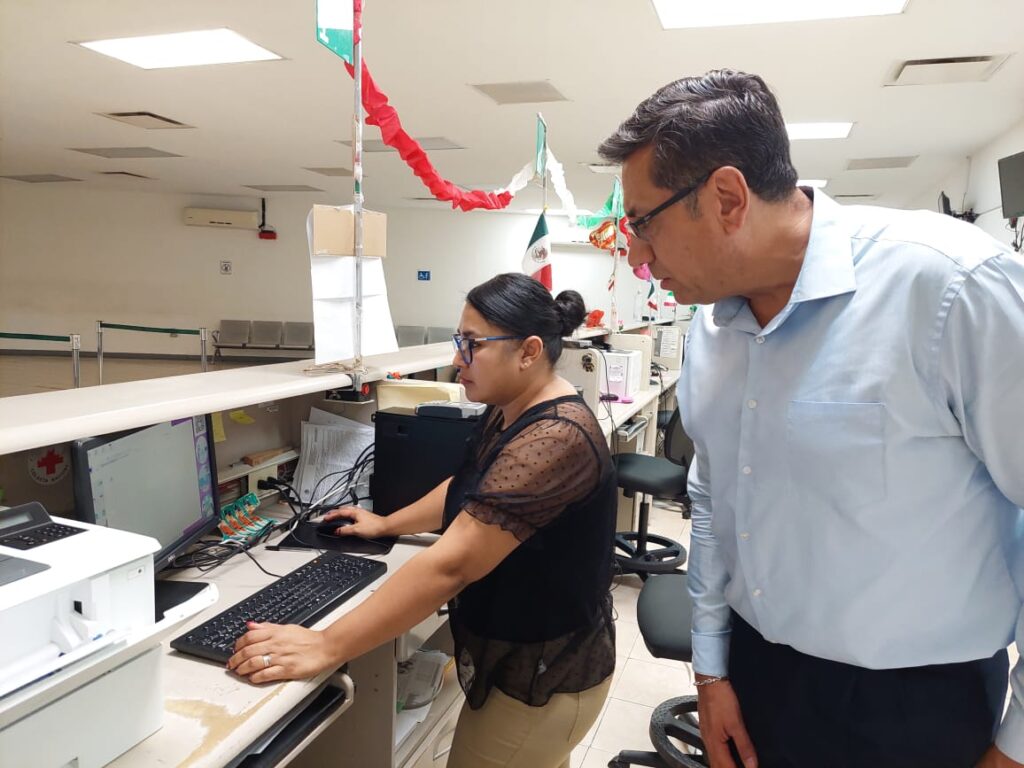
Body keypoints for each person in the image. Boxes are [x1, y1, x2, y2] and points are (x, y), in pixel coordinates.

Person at [598, 69, 1024, 768]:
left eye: (643, 223)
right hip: (758, 673)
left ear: (727, 198)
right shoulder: (713, 329)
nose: (636, 255)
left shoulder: (950, 288)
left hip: (912, 707)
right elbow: (713, 500)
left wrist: (1017, 745)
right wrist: (712, 670)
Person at [227, 273, 617, 768]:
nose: (458, 359)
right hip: (530, 661)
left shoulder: (554, 438)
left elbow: (450, 567)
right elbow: (469, 487)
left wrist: (327, 645)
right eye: (459, 341)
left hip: (542, 679)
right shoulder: (512, 409)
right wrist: (387, 524)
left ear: (529, 351)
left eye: (472, 344)